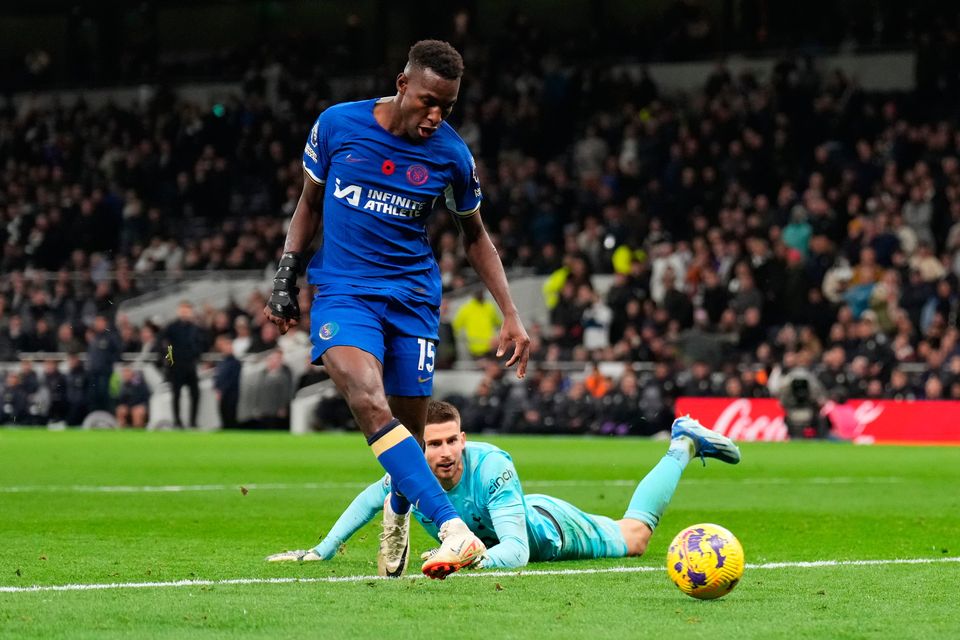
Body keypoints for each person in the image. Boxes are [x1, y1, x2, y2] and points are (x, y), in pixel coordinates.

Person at [262, 40, 530, 579]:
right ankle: (454, 529)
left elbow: (474, 235)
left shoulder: (452, 155)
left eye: (447, 108)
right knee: (367, 397)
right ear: (402, 83)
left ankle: (400, 509)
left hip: (412, 299)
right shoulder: (338, 126)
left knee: (407, 433)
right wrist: (287, 274)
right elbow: (308, 204)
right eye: (428, 101)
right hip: (343, 292)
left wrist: (511, 312)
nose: (435, 116)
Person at [267, 401, 740, 570]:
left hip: (545, 528)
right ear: (418, 447)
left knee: (635, 537)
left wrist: (464, 560)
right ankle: (683, 444)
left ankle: (681, 443)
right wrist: (324, 550)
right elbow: (371, 500)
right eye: (433, 444)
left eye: (453, 440)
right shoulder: (410, 472)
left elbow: (517, 551)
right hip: (507, 522)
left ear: (464, 439)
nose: (446, 452)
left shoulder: (492, 466)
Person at [162, 301, 205, 428]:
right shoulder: (172, 327)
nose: (185, 313)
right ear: (178, 311)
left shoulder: (195, 328)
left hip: (191, 366)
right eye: (183, 310)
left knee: (196, 394)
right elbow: (165, 344)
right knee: (176, 394)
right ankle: (177, 421)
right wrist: (170, 360)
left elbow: (201, 343)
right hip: (177, 366)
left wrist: (197, 355)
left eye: (187, 310)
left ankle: (193, 422)